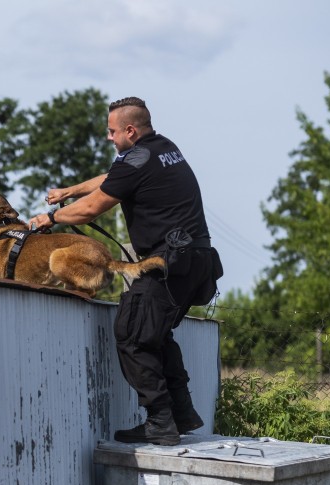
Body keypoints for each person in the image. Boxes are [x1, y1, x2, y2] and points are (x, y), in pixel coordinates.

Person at [27, 97, 222, 446]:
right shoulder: (162, 149)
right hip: (197, 261)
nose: (108, 137)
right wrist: (70, 190)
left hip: (167, 263)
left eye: (112, 131)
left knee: (132, 333)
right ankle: (182, 413)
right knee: (155, 333)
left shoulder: (137, 160)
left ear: (130, 130)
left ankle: (161, 423)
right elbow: (111, 178)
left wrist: (50, 218)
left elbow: (91, 209)